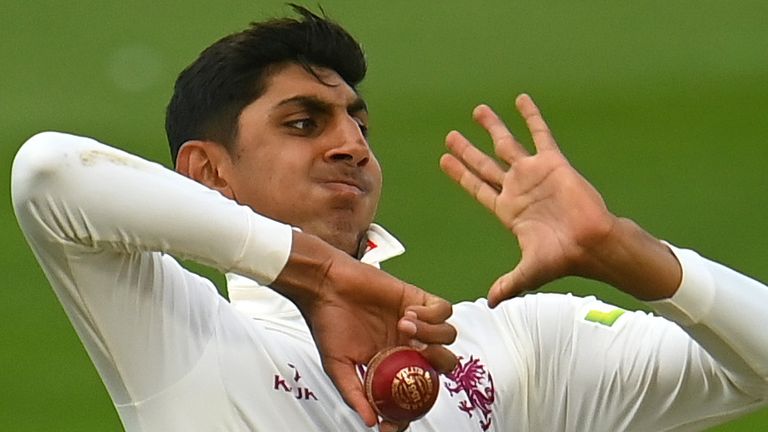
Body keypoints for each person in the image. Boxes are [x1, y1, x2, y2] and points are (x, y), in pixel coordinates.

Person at [11, 5, 768, 432]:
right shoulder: (186, 339)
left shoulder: (515, 351)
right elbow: (48, 175)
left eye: (358, 123)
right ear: (209, 173)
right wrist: (316, 278)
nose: (351, 145)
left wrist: (629, 254)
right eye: (304, 123)